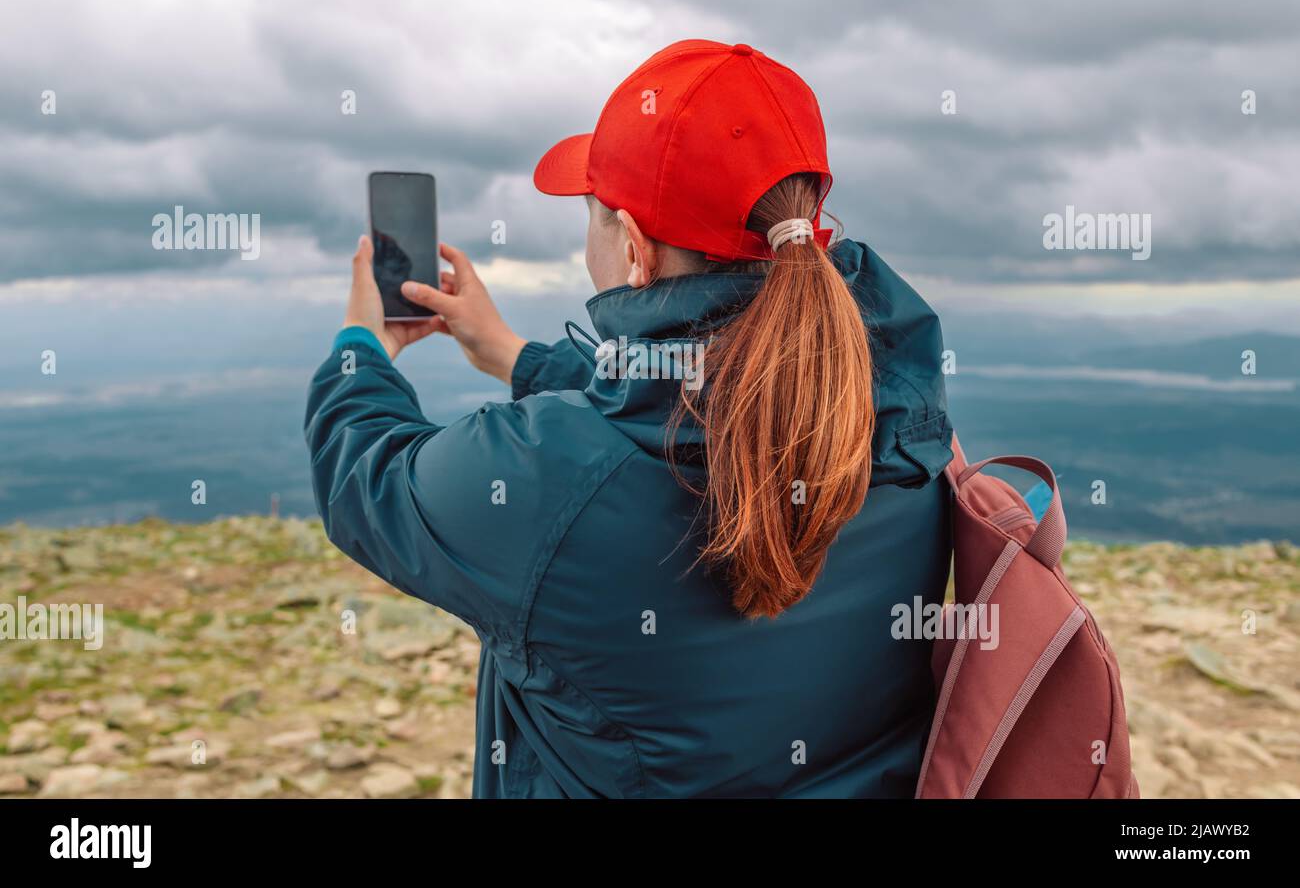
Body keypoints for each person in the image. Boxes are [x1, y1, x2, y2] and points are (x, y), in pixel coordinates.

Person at [305, 39, 954, 797]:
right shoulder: (895, 417)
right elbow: (707, 408)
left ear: (635, 253)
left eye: (594, 217)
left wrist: (361, 344)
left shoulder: (545, 483)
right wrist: (515, 356)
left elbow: (365, 476)